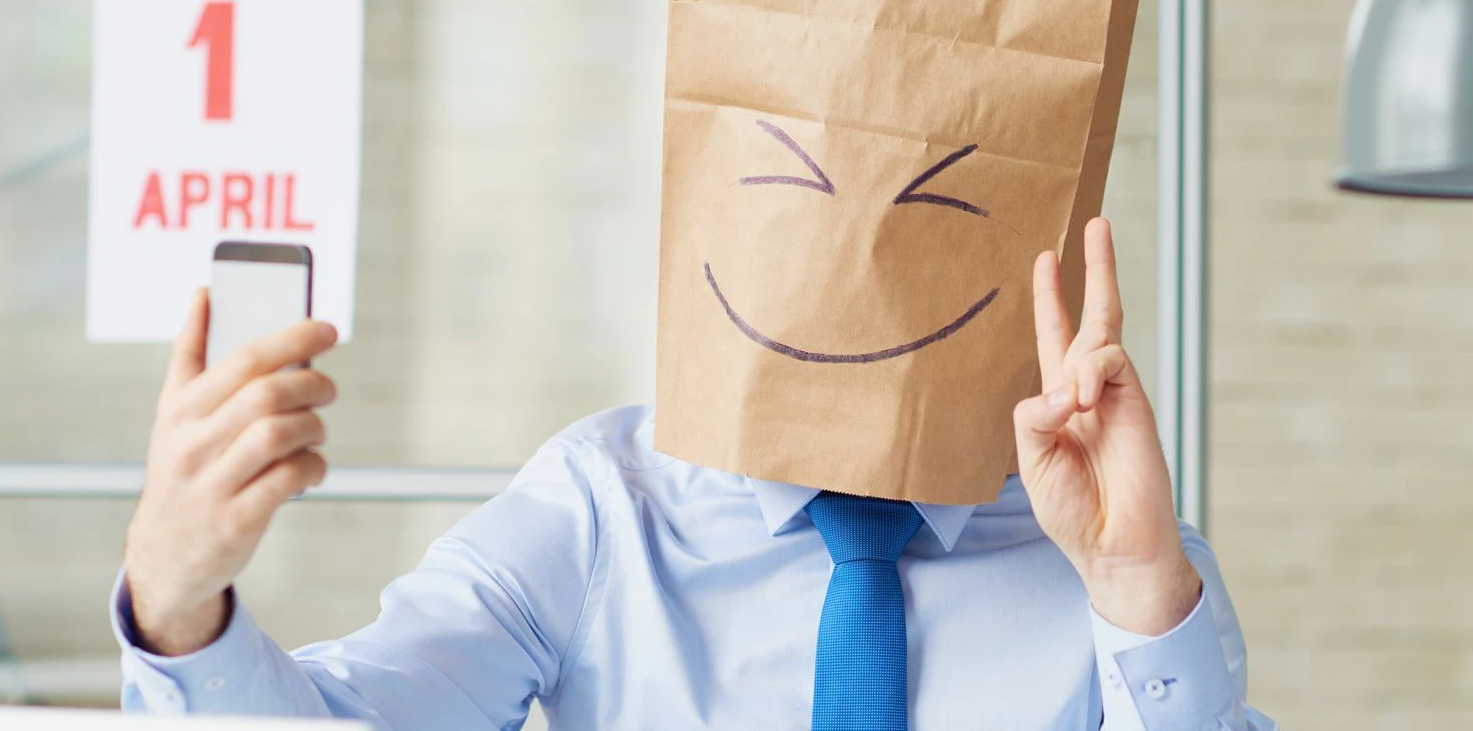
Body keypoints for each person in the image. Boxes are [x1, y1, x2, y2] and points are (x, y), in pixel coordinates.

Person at [113, 219, 1276, 730]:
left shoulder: (1112, 553)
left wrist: (1133, 592)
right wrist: (177, 605)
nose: (861, 267)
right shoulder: (598, 510)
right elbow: (350, 719)